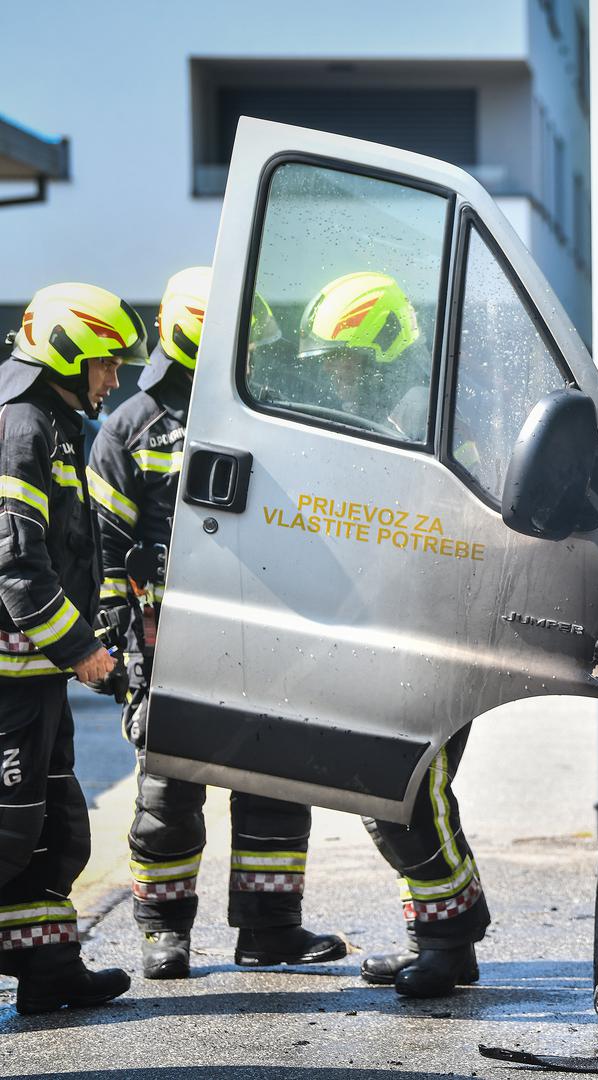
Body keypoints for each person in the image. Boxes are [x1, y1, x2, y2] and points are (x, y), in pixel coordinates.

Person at [89, 267, 346, 980]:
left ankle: (270, 931)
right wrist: (124, 653)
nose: (251, 356)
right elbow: (105, 554)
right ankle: (163, 935)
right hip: (170, 636)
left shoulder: (268, 413)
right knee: (168, 793)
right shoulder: (130, 428)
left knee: (275, 782)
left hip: (265, 630)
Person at [296, 271, 487, 998]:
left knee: (408, 795)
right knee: (407, 797)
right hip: (402, 633)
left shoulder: (417, 417)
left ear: (381, 350)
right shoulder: (403, 411)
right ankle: (441, 938)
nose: (335, 376)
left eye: (344, 361)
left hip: (422, 637)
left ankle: (449, 939)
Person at [0, 283, 139, 1013]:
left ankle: (49, 969)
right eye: (106, 363)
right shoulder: (22, 425)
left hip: (34, 672)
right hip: (10, 678)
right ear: (67, 354)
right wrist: (84, 651)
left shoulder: (51, 420)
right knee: (8, 828)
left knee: (52, 828)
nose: (113, 380)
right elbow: (16, 564)